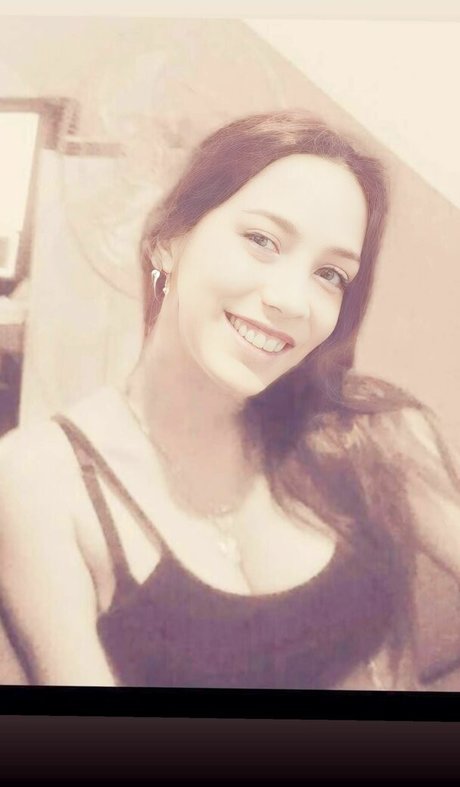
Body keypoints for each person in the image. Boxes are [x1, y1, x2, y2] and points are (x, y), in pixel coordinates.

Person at [0, 109, 459, 690]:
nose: (292, 300)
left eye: (330, 274)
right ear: (169, 241)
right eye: (262, 241)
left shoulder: (373, 432)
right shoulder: (43, 479)